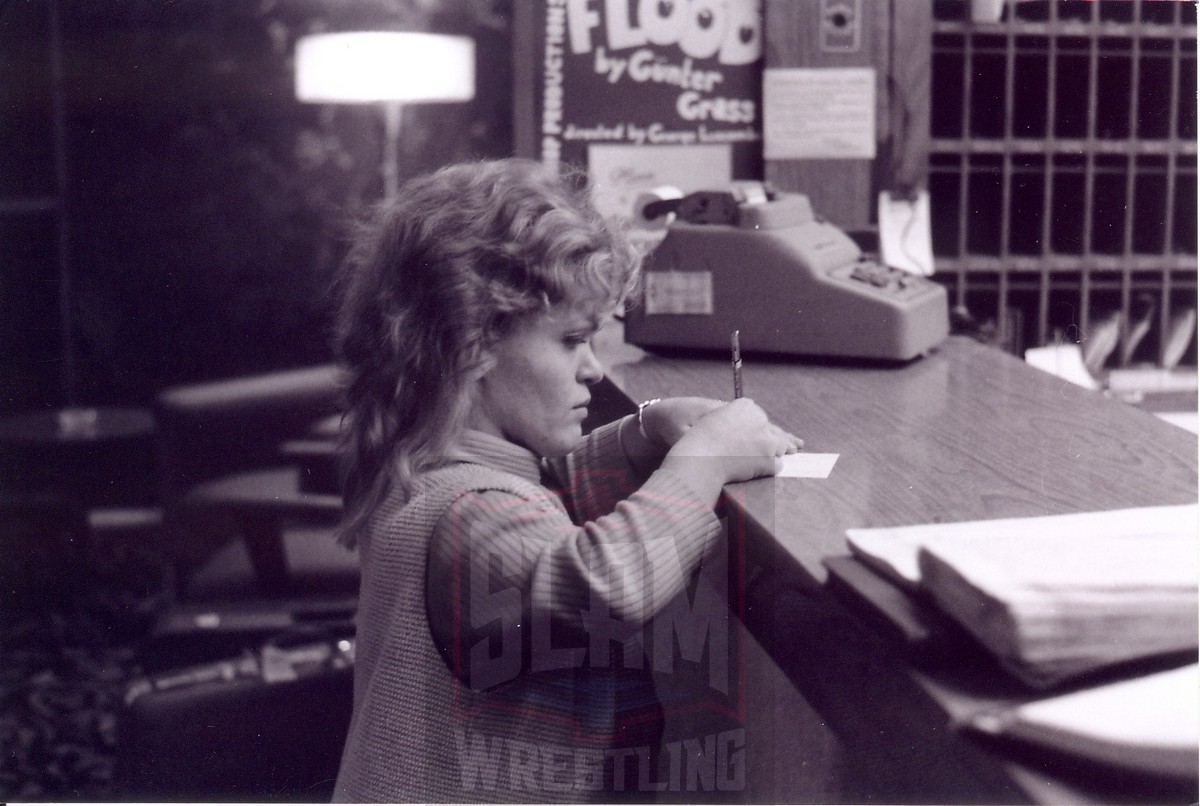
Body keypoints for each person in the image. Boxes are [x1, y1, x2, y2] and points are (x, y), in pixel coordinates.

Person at [331, 158, 803, 802]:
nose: (593, 371)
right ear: (473, 343)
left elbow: (539, 497)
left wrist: (645, 432)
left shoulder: (435, 468)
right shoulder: (471, 519)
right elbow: (597, 585)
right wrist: (705, 461)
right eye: (572, 340)